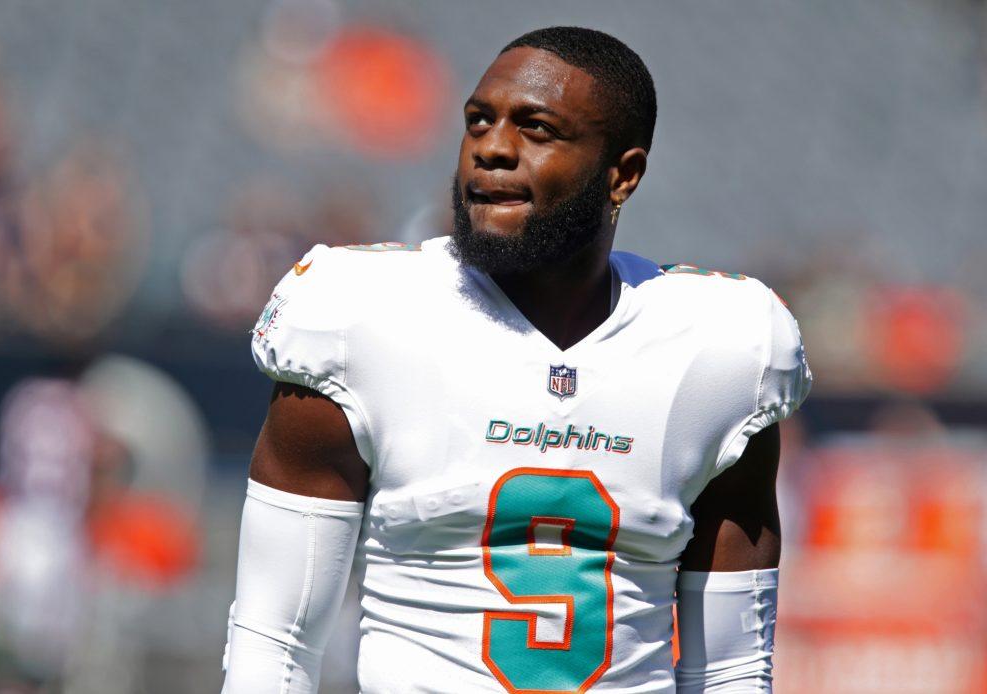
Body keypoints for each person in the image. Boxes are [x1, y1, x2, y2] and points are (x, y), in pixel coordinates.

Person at [222, 26, 812, 694]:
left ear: (623, 175)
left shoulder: (723, 348)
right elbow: (275, 642)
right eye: (478, 121)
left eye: (536, 128)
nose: (493, 148)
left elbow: (732, 669)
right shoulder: (357, 315)